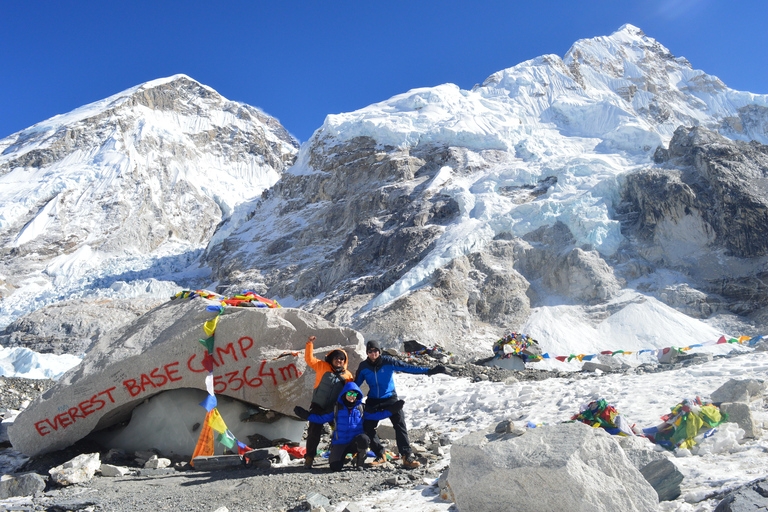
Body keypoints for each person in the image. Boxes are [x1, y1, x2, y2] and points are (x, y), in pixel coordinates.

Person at [354, 340, 447, 468]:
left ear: (379, 351)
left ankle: (406, 457)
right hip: (373, 399)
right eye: (370, 351)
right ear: (367, 353)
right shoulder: (363, 366)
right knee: (367, 426)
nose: (373, 353)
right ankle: (380, 454)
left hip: (389, 398)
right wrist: (346, 397)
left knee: (399, 423)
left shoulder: (388, 361)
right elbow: (355, 385)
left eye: (375, 350)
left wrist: (429, 371)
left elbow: (407, 367)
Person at [294, 382, 401, 471]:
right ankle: (343, 458)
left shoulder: (361, 408)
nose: (352, 396)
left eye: (355, 395)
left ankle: (359, 462)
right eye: (350, 393)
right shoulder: (336, 407)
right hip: (340, 443)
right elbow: (321, 418)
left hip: (355, 442)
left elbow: (378, 415)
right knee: (335, 467)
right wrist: (306, 415)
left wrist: (392, 409)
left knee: (364, 439)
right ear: (344, 393)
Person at [301, 335, 353, 468]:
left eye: (341, 358)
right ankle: (309, 457)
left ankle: (342, 454)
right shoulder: (322, 366)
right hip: (318, 406)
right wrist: (309, 344)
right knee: (313, 431)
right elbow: (309, 359)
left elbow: (351, 391)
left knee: (339, 430)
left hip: (334, 408)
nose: (339, 360)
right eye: (336, 358)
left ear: (344, 361)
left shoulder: (348, 375)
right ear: (332, 358)